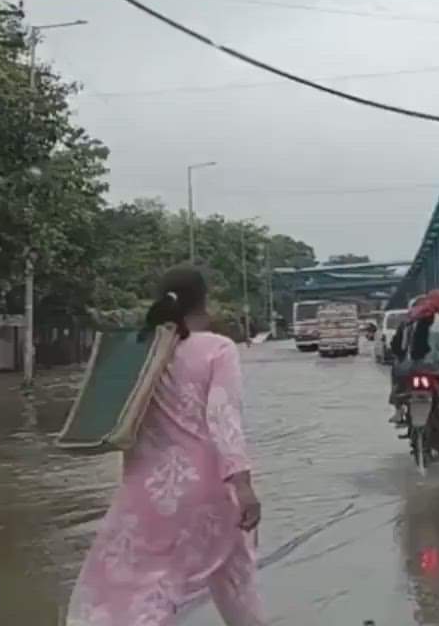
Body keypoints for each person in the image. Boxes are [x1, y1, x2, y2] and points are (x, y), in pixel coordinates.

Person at [66, 265, 265, 626]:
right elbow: (223, 419)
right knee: (236, 580)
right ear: (204, 298)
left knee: (143, 587)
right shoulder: (218, 349)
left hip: (145, 493)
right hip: (210, 491)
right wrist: (243, 482)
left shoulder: (138, 351)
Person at [388, 290, 439, 421]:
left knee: (396, 373)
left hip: (411, 368)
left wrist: (400, 358)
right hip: (437, 368)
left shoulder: (408, 321)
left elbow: (399, 346)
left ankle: (398, 409)